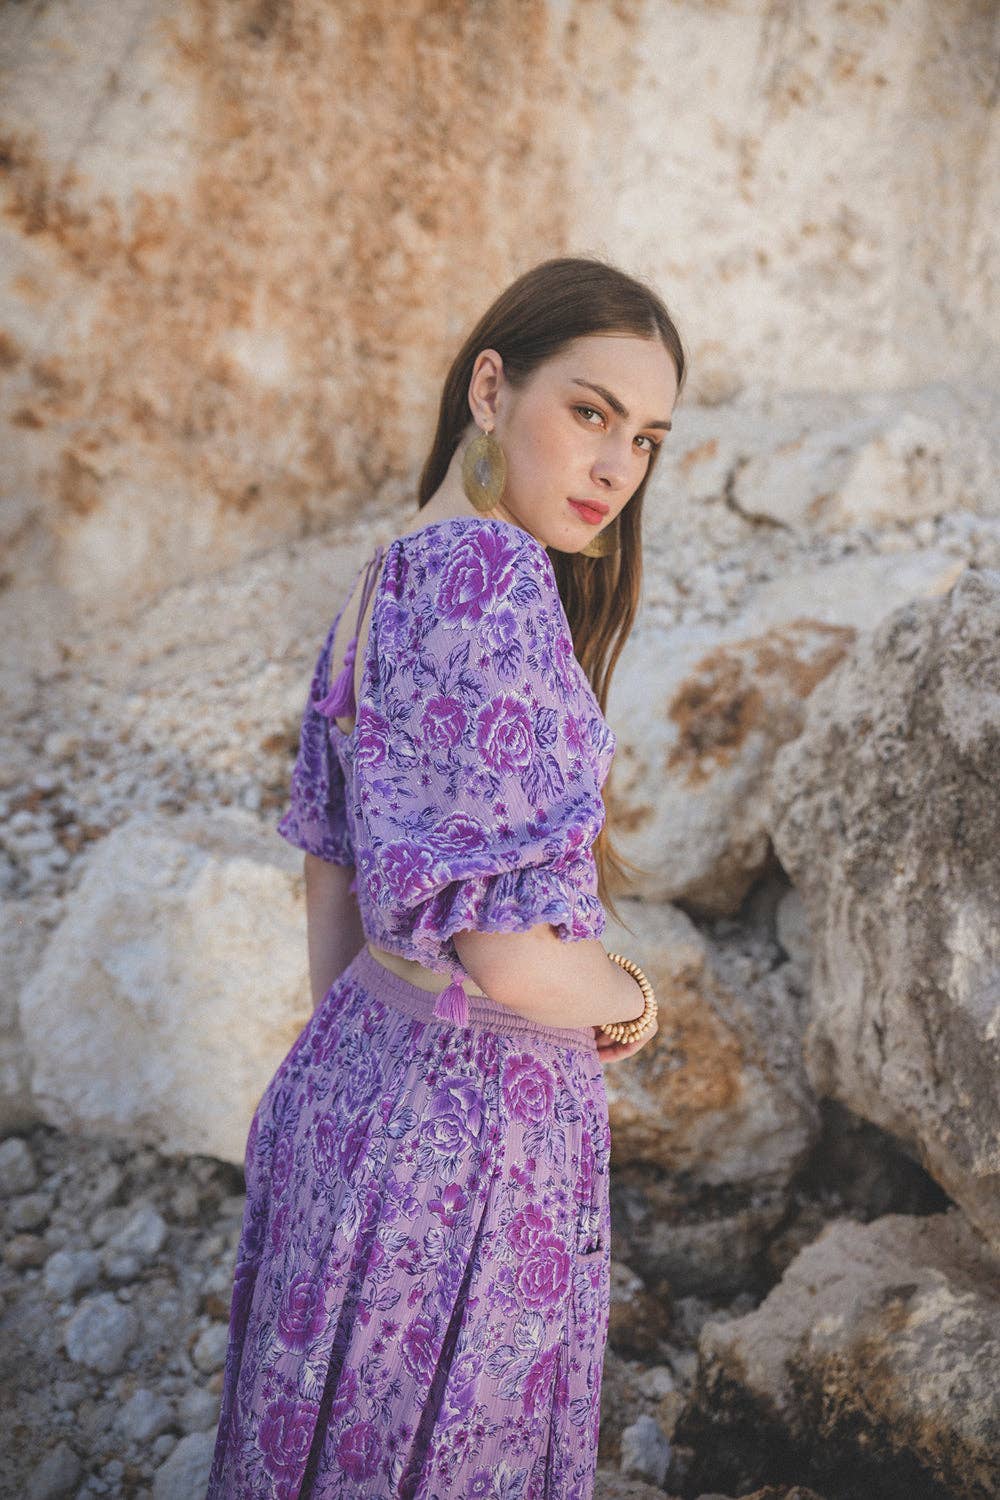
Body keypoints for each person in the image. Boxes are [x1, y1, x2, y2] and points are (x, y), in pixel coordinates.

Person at [205, 256, 685, 1499]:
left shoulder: (385, 576)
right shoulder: (491, 579)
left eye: (644, 439)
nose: (614, 467)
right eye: (589, 411)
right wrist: (631, 998)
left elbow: (331, 873)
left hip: (351, 1089)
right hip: (476, 1148)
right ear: (489, 388)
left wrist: (365, 1095)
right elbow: (508, 957)